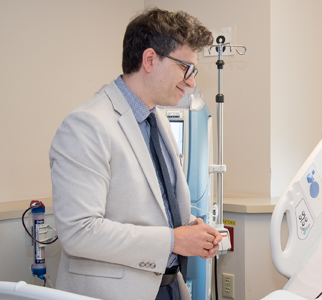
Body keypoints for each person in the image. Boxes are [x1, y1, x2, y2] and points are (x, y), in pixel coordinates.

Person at [49, 8, 221, 300]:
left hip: (168, 285)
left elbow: (150, 203)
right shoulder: (87, 125)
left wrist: (190, 226)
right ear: (150, 59)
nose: (191, 82)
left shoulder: (157, 120)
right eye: (185, 68)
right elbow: (79, 232)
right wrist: (173, 240)